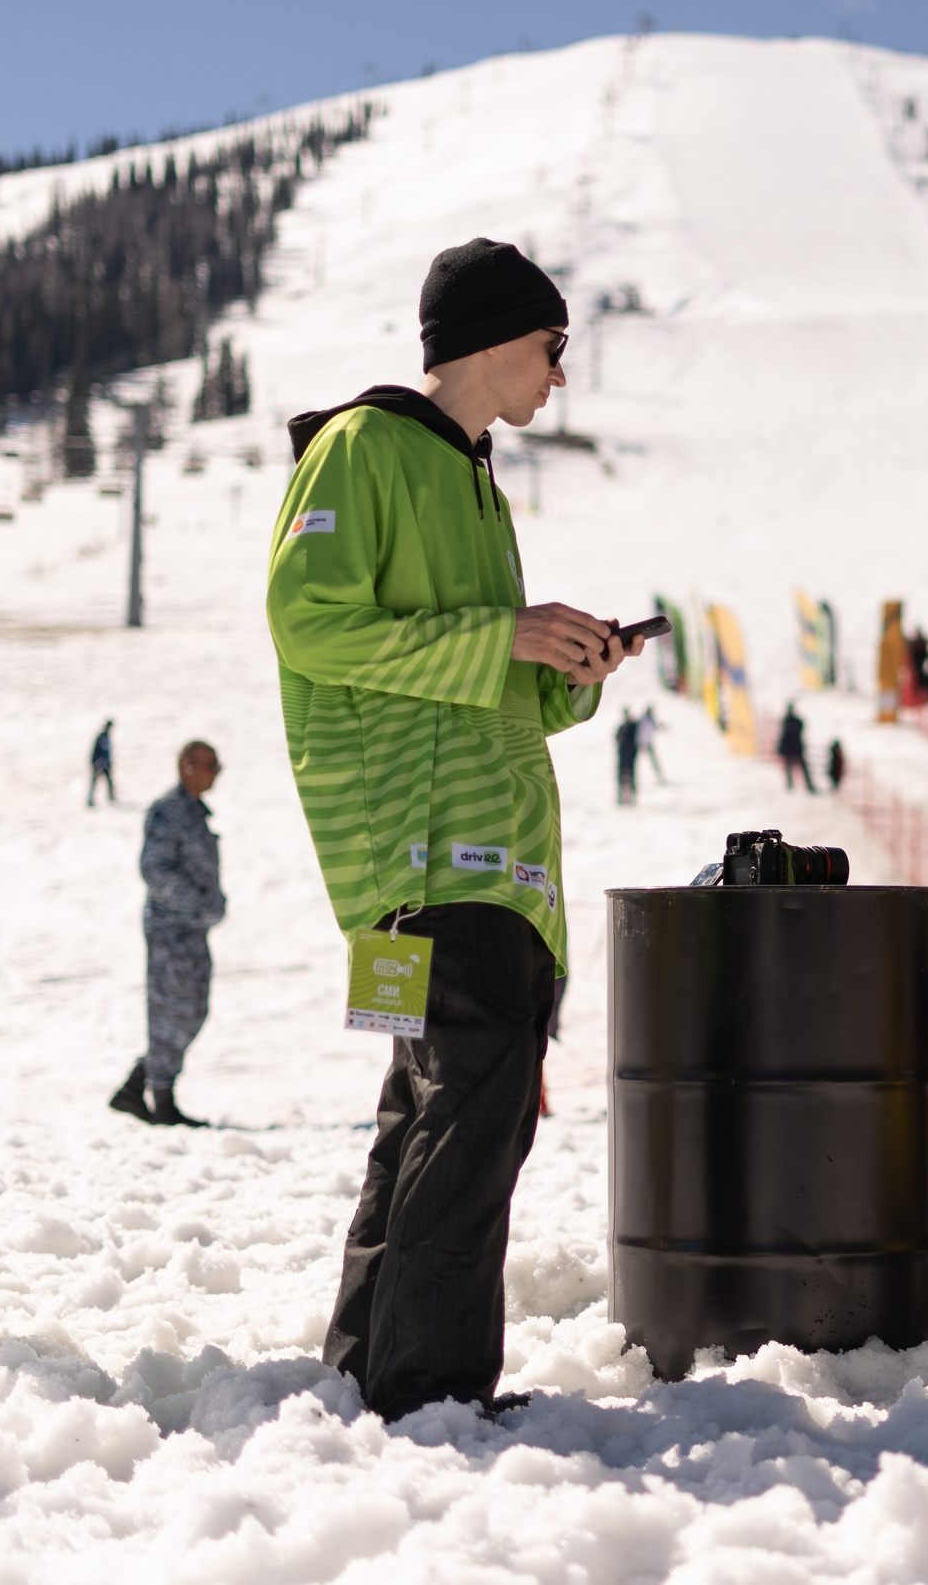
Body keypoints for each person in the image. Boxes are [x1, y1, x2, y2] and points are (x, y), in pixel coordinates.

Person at [267, 235, 644, 1423]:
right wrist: (505, 638)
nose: (560, 376)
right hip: (430, 858)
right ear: (490, 338)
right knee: (470, 1117)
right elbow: (310, 627)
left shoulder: (472, 475)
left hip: (480, 858)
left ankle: (366, 1369)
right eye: (551, 346)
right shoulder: (364, 446)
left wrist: (570, 665)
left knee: (424, 1115)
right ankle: (426, 1394)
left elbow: (486, 680)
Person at [110, 741, 228, 1126]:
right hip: (170, 930)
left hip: (190, 930)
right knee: (170, 1011)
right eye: (210, 765)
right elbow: (155, 869)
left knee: (193, 1009)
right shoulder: (168, 811)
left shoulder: (193, 813)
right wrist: (199, 903)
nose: (216, 772)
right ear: (186, 766)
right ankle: (161, 1099)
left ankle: (137, 1086)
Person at [779, 701, 817, 793]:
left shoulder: (790, 722)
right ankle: (792, 786)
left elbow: (787, 734)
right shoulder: (788, 722)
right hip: (792, 748)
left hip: (794, 748)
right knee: (790, 769)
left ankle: (806, 786)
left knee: (799, 768)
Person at [615, 709, 641, 805]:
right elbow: (616, 737)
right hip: (623, 755)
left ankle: (633, 798)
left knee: (632, 777)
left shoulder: (633, 726)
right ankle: (621, 798)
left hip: (630, 755)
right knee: (620, 777)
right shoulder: (622, 727)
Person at [88, 720, 117, 807]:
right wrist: (97, 761)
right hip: (99, 763)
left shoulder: (106, 736)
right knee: (95, 782)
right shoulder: (102, 736)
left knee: (108, 781)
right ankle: (90, 800)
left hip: (104, 763)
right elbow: (100, 751)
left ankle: (111, 797)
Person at [636, 706, 666, 783]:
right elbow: (655, 727)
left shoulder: (644, 719)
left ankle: (660, 777)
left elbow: (655, 727)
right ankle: (659, 777)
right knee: (651, 761)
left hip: (643, 743)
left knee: (652, 761)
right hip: (642, 743)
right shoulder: (646, 720)